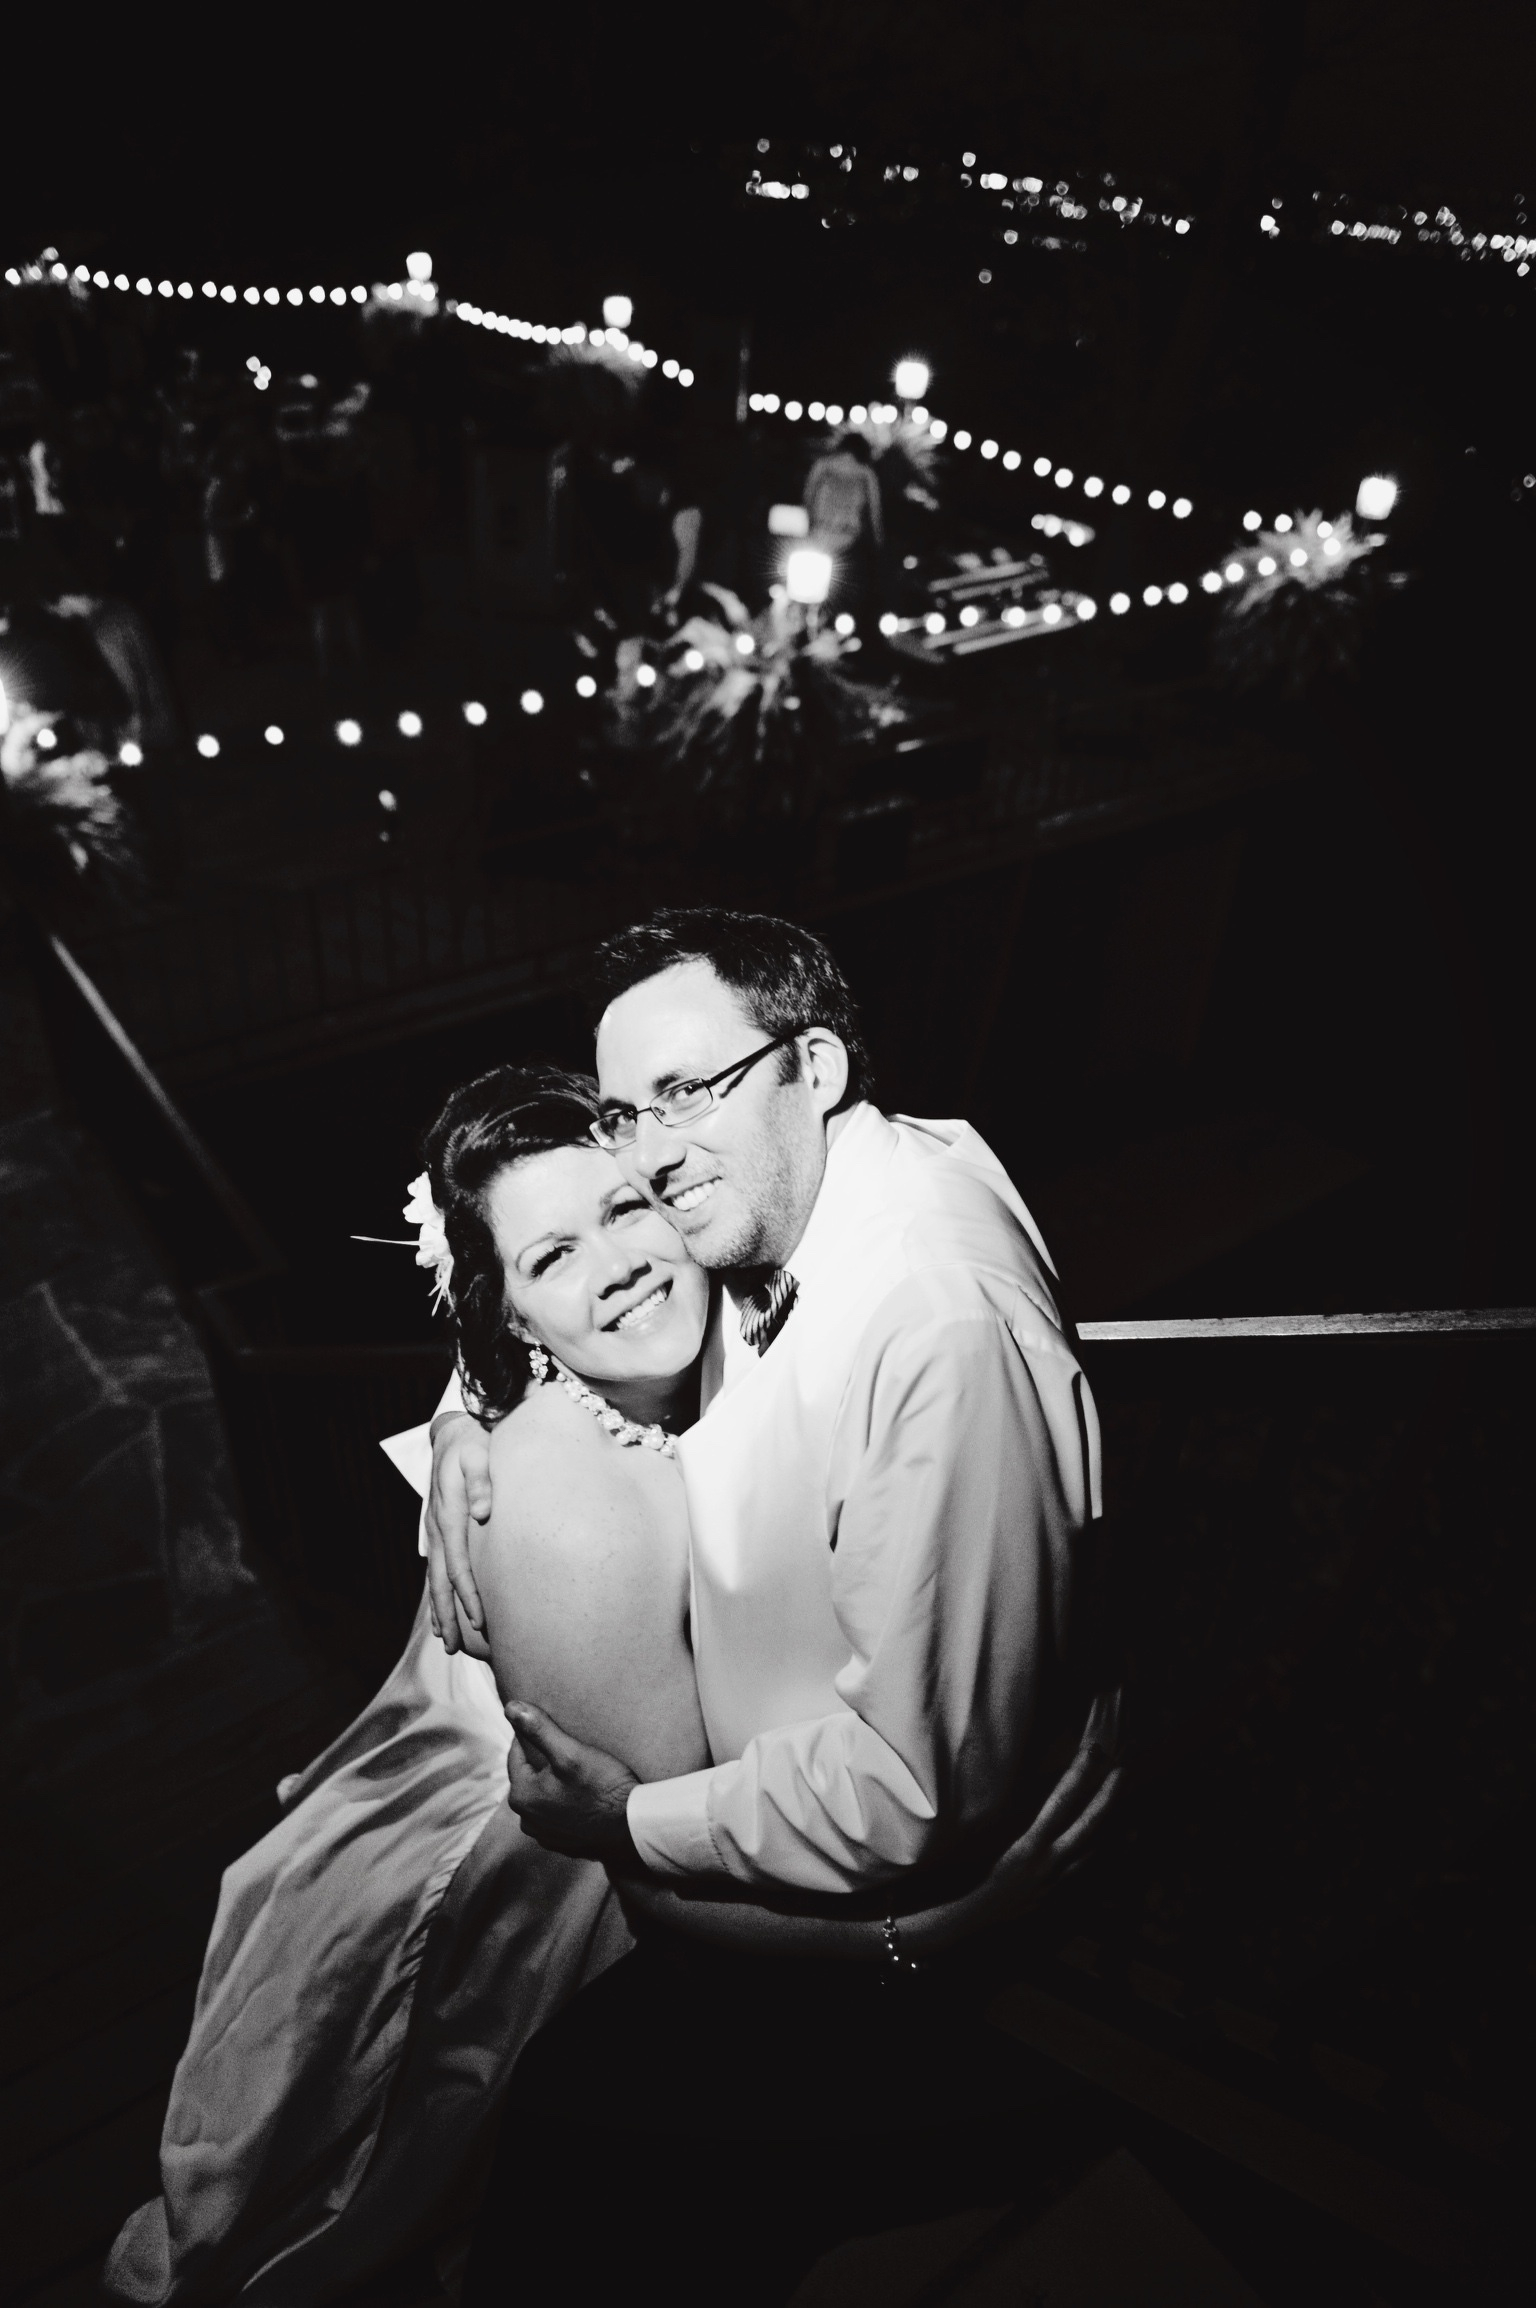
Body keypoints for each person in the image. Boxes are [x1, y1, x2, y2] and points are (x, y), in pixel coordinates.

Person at [105, 1063, 1092, 2307]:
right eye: (551, 1258)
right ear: (512, 1316)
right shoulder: (572, 1515)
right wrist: (921, 1937)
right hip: (517, 1871)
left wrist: (465, 1410)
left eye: (627, 1211)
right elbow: (663, 1872)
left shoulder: (674, 1335)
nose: (615, 1264)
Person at [426, 906, 1121, 2307]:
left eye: (692, 1092)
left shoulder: (929, 1325)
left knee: (595, 2164)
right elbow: (566, 1269)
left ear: (817, 1065)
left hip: (881, 1953)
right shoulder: (779, 1203)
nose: (654, 1163)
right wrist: (465, 1425)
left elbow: (914, 1793)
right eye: (630, 1114)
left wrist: (626, 1818)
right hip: (761, 1924)